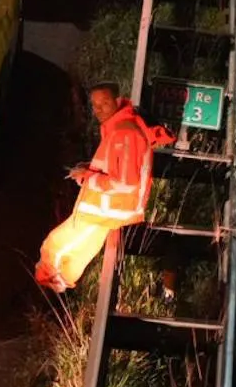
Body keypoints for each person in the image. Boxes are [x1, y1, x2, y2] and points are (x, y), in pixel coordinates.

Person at [34, 82, 173, 293]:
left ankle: (47, 289)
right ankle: (53, 291)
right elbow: (115, 168)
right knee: (74, 253)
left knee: (54, 250)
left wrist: (88, 177)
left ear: (118, 101)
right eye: (94, 105)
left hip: (107, 208)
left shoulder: (124, 134)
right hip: (106, 208)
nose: (98, 110)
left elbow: (126, 182)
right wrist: (88, 170)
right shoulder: (119, 128)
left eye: (104, 103)